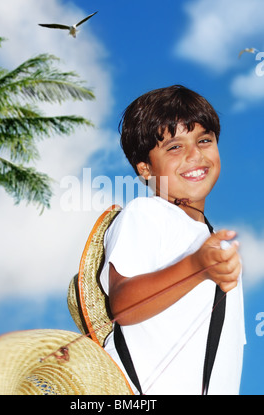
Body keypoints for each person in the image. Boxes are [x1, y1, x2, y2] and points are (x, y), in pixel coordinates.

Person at [100, 85, 245, 395]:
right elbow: (124, 304)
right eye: (174, 147)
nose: (195, 155)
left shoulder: (213, 244)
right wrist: (196, 266)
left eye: (204, 140)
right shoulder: (147, 213)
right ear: (145, 168)